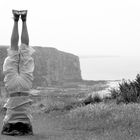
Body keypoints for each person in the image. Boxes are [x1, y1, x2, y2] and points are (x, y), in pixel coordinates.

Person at [1, 10, 35, 136]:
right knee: (16, 49)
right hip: (14, 88)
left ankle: (21, 20)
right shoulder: (10, 121)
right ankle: (18, 19)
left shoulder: (25, 122)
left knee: (24, 49)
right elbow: (6, 125)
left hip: (23, 89)